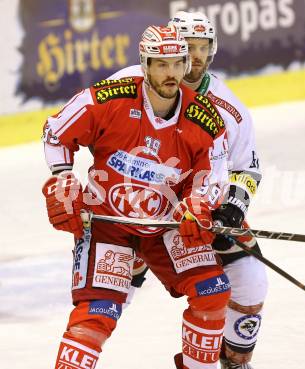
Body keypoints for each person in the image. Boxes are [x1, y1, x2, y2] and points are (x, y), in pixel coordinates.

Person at [41, 24, 232, 369]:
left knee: (212, 292)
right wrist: (63, 178)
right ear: (144, 64)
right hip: (107, 224)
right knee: (95, 316)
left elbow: (214, 174)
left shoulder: (204, 119)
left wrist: (199, 204)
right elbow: (55, 133)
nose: (171, 72)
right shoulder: (107, 98)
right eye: (161, 64)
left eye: (178, 63)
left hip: (167, 223)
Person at [109, 12, 268, 369]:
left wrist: (232, 208)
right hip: (134, 213)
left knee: (251, 280)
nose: (195, 57)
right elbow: (97, 133)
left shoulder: (230, 109)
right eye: (187, 48)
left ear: (213, 50)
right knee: (106, 299)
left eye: (202, 47)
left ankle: (232, 360)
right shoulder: (126, 86)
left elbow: (248, 168)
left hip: (196, 218)